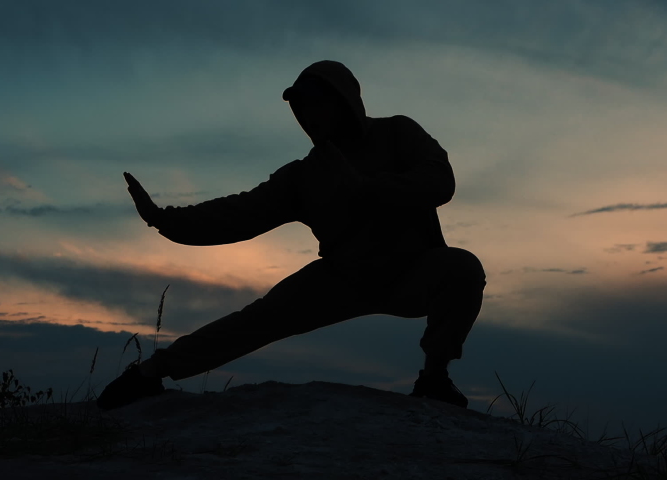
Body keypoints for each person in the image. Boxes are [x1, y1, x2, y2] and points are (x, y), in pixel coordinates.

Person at [98, 60, 487, 410]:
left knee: (463, 269)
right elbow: (237, 215)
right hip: (343, 278)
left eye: (315, 103)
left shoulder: (398, 134)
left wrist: (368, 187)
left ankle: (434, 378)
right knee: (258, 319)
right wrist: (162, 219)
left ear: (343, 101)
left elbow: (439, 181)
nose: (306, 115)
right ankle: (150, 373)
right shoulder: (304, 175)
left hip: (412, 271)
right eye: (298, 107)